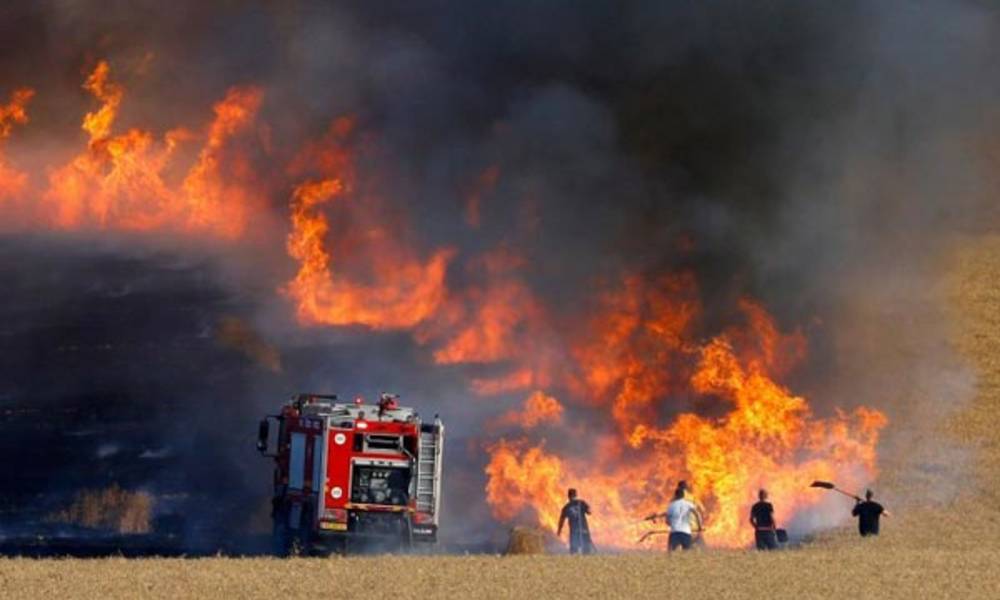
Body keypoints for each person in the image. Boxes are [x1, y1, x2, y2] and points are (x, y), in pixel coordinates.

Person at [651, 487, 703, 551]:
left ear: (675, 496)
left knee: (671, 554)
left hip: (675, 533)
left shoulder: (671, 506)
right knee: (687, 554)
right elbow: (697, 514)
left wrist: (671, 524)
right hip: (686, 533)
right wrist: (700, 527)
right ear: (683, 495)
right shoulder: (688, 504)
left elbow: (667, 521)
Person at [557, 488, 594, 554]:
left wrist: (559, 531)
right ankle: (587, 562)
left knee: (574, 550)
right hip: (584, 530)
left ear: (568, 496)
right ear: (576, 495)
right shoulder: (581, 503)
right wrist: (588, 508)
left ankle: (575, 562)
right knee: (586, 550)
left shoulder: (566, 507)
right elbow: (589, 512)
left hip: (574, 531)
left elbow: (561, 521)